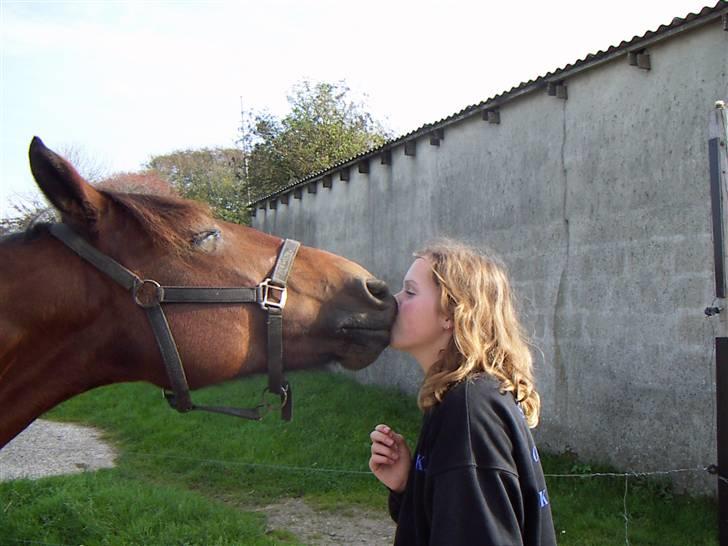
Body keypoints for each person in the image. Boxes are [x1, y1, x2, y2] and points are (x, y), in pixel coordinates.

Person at [369, 240, 557, 545]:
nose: (395, 300)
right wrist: (409, 486)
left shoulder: (469, 410)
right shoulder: (461, 397)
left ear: (453, 315)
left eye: (410, 291)